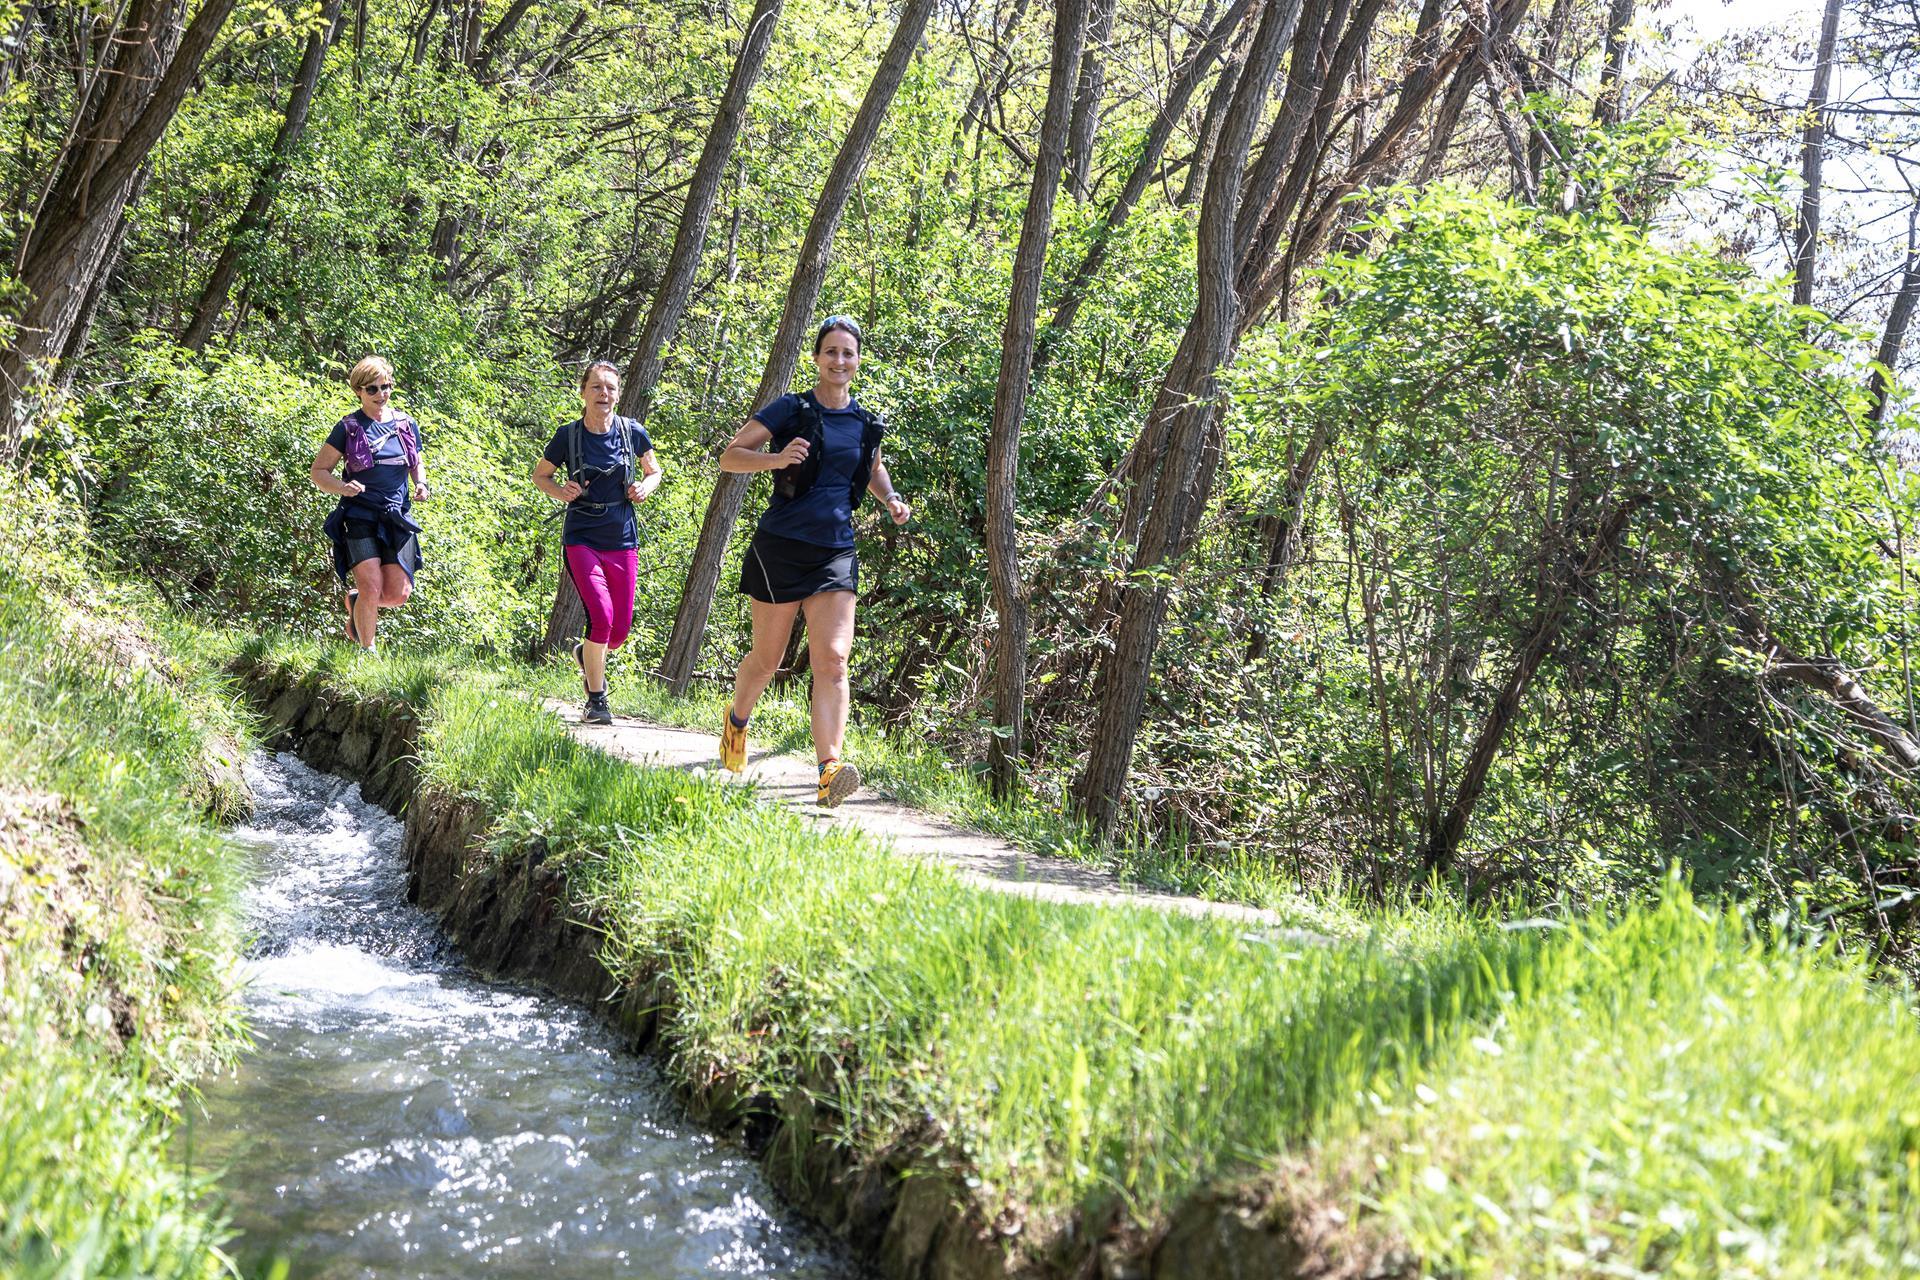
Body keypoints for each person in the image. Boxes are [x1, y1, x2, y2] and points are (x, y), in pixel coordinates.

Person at [717, 315, 910, 806]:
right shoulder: (792, 410)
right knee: (768, 660)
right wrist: (776, 460)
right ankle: (737, 721)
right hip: (781, 546)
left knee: (833, 658)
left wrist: (889, 499)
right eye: (831, 352)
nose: (839, 361)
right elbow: (731, 456)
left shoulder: (867, 423)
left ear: (858, 360)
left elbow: (872, 467)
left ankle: (829, 770)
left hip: (835, 550)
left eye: (848, 353)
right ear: (817, 357)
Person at [532, 360, 663, 725]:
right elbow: (540, 476)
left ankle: (586, 656)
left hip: (622, 537)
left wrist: (644, 487)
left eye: (610, 388)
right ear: (583, 392)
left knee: (618, 631)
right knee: (601, 617)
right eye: (596, 387)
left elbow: (654, 471)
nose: (603, 394)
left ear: (618, 394)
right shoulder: (568, 436)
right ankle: (596, 699)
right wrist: (562, 491)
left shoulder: (631, 431)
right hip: (582, 536)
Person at [311, 357, 429, 651]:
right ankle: (368, 651)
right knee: (371, 586)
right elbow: (318, 472)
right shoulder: (348, 427)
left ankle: (355, 602)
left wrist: (421, 484)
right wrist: (342, 487)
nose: (381, 394)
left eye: (385, 387)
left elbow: (417, 461)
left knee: (398, 594)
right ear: (359, 392)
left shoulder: (406, 424)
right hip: (360, 515)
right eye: (373, 389)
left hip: (397, 516)